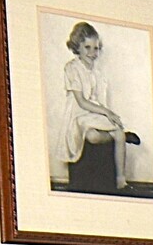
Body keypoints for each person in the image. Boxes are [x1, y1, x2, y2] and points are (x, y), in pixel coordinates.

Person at [55, 21, 142, 195]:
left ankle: (121, 181)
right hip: (78, 114)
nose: (92, 53)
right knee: (93, 137)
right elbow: (82, 102)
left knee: (117, 132)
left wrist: (108, 114)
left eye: (96, 48)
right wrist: (107, 112)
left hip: (94, 112)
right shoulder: (71, 68)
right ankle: (122, 136)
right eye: (87, 47)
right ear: (77, 47)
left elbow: (98, 100)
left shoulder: (97, 73)